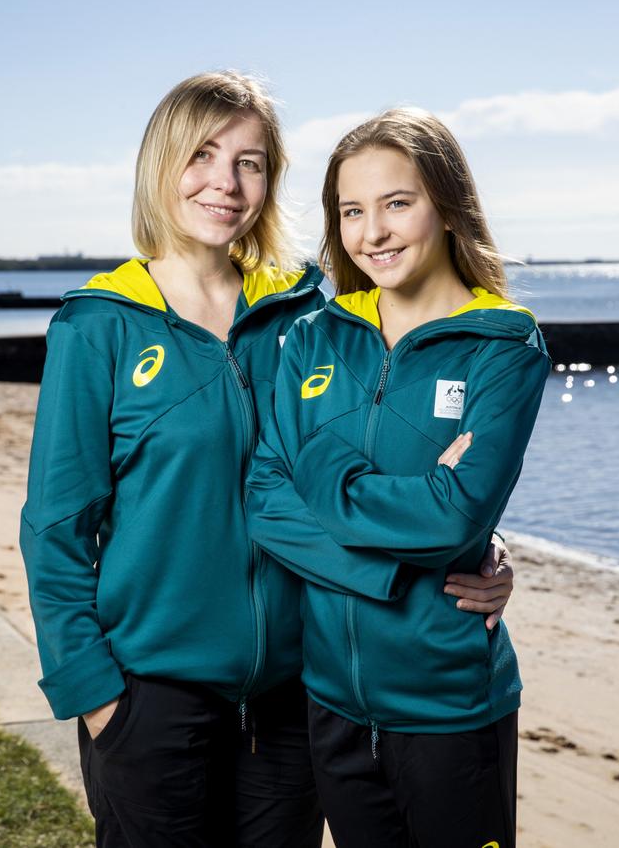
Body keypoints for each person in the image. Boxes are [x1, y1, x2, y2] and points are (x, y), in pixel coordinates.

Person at [20, 73, 514, 848]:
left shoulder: (310, 317)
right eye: (203, 155)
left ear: (271, 179)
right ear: (160, 167)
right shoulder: (98, 326)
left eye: (250, 161)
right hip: (150, 700)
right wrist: (97, 698)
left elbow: (401, 461)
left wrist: (481, 544)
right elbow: (54, 528)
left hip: (296, 702)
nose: (225, 181)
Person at [246, 108, 551, 848]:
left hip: (450, 709)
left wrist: (317, 463)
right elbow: (262, 498)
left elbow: (452, 517)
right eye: (352, 211)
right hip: (332, 703)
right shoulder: (312, 337)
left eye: (396, 203)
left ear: (446, 205)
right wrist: (397, 568)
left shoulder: (503, 346)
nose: (372, 232)